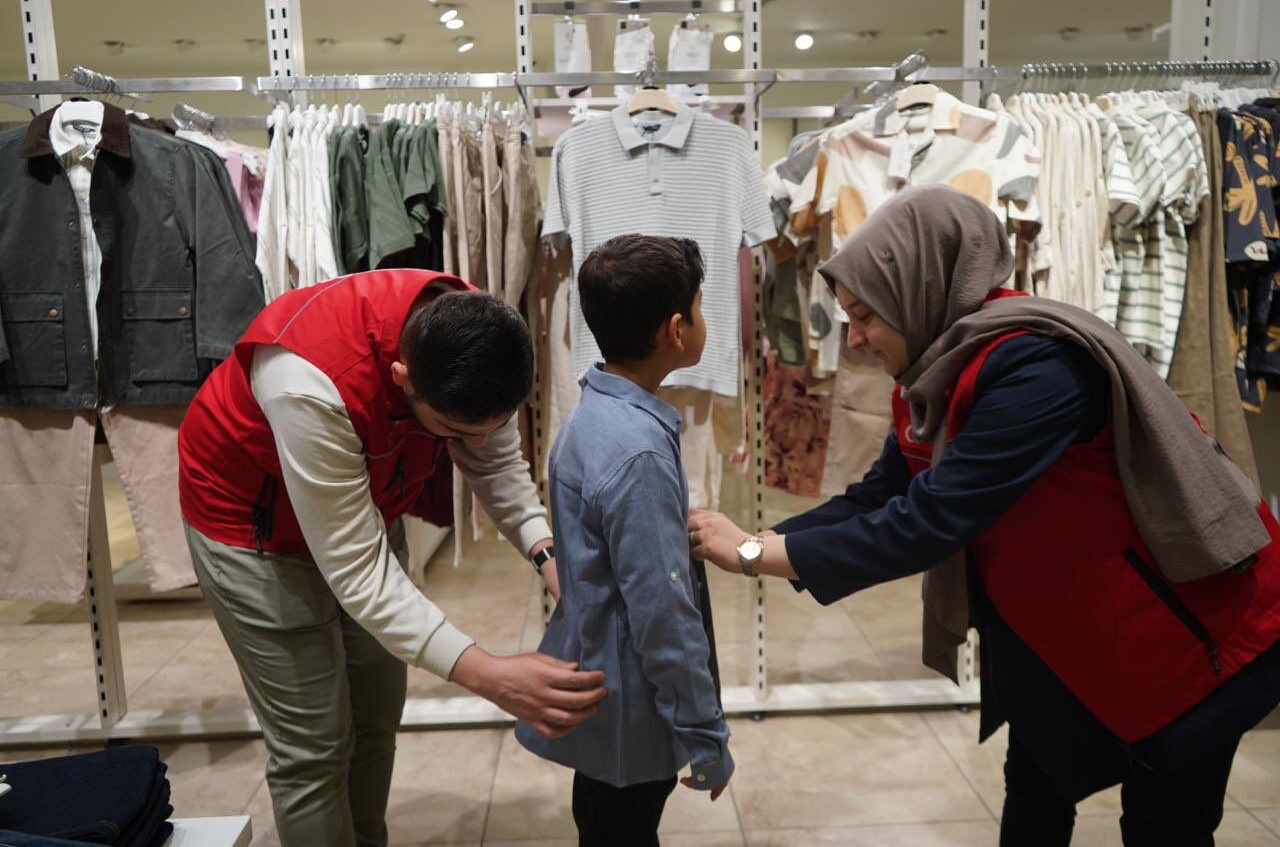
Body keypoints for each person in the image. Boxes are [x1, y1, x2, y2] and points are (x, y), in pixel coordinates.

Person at [688, 187, 1280, 847]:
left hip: (1186, 638)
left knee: (1164, 824)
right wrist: (760, 540)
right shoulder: (938, 372)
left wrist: (752, 554)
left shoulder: (1038, 365)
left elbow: (928, 520)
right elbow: (881, 493)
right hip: (1068, 638)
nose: (853, 337)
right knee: (1035, 789)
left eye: (865, 316)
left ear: (921, 287)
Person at [177, 269, 607, 847]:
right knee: (314, 748)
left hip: (366, 510)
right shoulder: (307, 379)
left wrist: (549, 558)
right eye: (454, 431)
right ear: (403, 378)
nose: (478, 443)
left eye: (495, 425)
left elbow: (496, 463)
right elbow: (358, 571)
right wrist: (491, 676)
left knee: (376, 715)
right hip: (251, 527)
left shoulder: (476, 329)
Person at [517, 235, 733, 847]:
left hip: (601, 688)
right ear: (676, 330)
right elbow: (663, 609)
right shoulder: (638, 452)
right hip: (632, 705)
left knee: (602, 820)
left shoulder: (588, 416)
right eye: (698, 306)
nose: (702, 319)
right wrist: (704, 730)